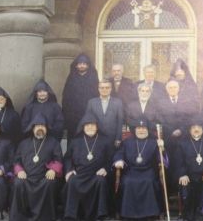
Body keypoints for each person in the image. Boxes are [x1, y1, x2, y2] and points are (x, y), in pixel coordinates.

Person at [9, 113, 63, 221]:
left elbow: (59, 160)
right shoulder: (23, 143)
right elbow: (16, 160)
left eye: (42, 126)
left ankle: (45, 217)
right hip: (27, 177)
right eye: (37, 126)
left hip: (44, 178)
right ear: (32, 128)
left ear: (46, 128)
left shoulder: (54, 142)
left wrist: (53, 170)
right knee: (18, 183)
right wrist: (19, 171)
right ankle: (21, 216)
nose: (40, 128)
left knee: (50, 183)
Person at [114, 118, 167, 220]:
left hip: (149, 170)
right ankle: (126, 213)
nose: (141, 130)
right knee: (127, 182)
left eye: (144, 128)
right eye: (139, 128)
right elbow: (119, 153)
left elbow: (161, 158)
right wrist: (119, 160)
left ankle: (151, 213)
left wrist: (162, 148)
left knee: (149, 181)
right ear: (135, 129)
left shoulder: (154, 142)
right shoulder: (127, 142)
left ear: (148, 130)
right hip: (131, 170)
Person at [85, 79, 124, 217]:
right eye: (102, 87)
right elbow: (88, 119)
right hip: (98, 141)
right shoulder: (92, 102)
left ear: (111, 89)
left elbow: (120, 121)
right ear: (98, 88)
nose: (104, 89)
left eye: (107, 87)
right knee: (99, 170)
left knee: (111, 172)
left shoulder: (118, 102)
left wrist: (119, 138)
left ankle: (111, 207)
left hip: (113, 142)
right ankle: (97, 205)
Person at [62, 114, 110, 221]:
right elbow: (67, 158)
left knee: (101, 181)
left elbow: (110, 159)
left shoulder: (105, 140)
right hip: (79, 174)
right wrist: (69, 170)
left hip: (96, 174)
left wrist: (105, 168)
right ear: (83, 127)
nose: (90, 127)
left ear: (97, 127)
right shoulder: (75, 141)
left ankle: (101, 214)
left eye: (92, 125)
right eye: (87, 125)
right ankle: (71, 215)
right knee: (72, 181)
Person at [175, 116, 203, 221]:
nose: (196, 129)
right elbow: (178, 162)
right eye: (193, 127)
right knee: (184, 182)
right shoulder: (182, 144)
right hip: (189, 176)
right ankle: (188, 215)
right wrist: (182, 174)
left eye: (199, 127)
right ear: (190, 130)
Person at [62, 53, 99, 142]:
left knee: (89, 139)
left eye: (84, 63)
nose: (82, 65)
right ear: (76, 65)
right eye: (79, 63)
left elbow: (97, 96)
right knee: (73, 138)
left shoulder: (93, 78)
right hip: (73, 116)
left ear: (88, 65)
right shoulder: (71, 78)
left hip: (89, 114)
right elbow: (66, 98)